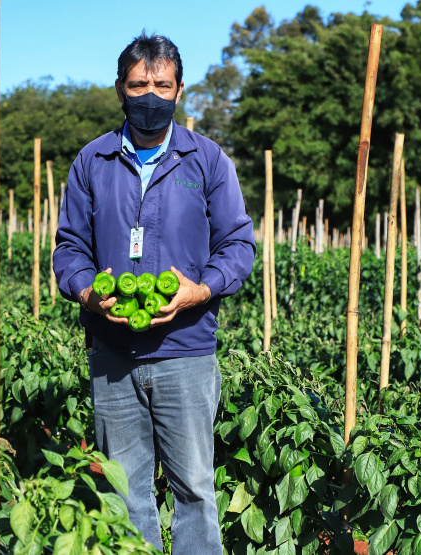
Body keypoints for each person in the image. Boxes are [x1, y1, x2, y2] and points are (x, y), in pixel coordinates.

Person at [53, 32, 255, 554]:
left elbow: (238, 245)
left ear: (179, 90)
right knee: (125, 490)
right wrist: (86, 293)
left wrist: (200, 289)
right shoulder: (92, 162)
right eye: (138, 85)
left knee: (194, 488)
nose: (149, 96)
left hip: (186, 350)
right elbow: (69, 248)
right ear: (119, 89)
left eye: (160, 85)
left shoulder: (206, 160)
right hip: (113, 352)